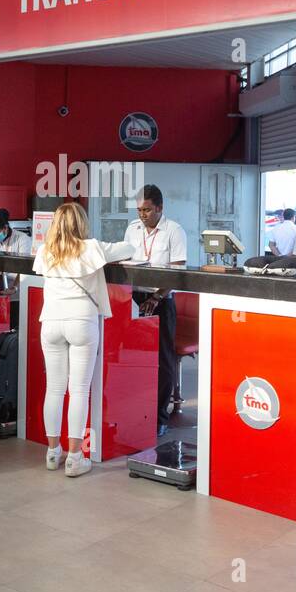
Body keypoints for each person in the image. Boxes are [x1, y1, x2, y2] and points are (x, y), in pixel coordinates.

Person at [33, 202, 135, 477]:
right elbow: (128, 248)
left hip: (51, 322)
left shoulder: (46, 250)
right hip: (82, 321)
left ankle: (53, 453)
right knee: (78, 391)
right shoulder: (91, 248)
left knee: (54, 389)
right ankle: (75, 458)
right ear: (82, 223)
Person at [124, 185, 187, 435]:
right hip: (136, 299)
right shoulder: (132, 229)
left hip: (161, 300)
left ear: (160, 208)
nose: (142, 215)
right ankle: (139, 410)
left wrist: (157, 296)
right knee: (136, 358)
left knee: (163, 361)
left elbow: (178, 272)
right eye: (139, 210)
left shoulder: (174, 231)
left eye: (147, 210)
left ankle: (160, 417)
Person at [0, 208, 32, 295]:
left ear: (5, 227)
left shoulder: (22, 239)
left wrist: (15, 287)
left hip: (18, 287)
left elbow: (25, 268)